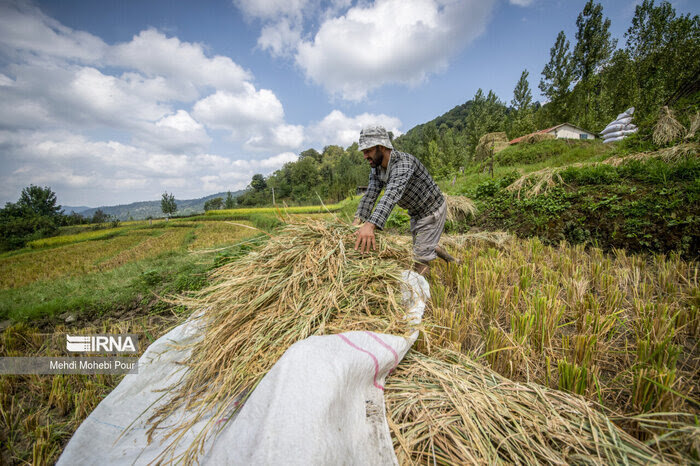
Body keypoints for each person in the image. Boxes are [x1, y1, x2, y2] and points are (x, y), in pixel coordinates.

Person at [352, 125, 456, 275]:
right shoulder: (376, 169)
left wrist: (370, 225)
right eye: (363, 152)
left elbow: (391, 195)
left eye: (367, 151)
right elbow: (370, 196)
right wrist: (357, 221)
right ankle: (452, 260)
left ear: (381, 147)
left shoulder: (404, 163)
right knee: (425, 244)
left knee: (420, 256)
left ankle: (420, 295)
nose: (364, 156)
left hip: (432, 210)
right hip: (416, 213)